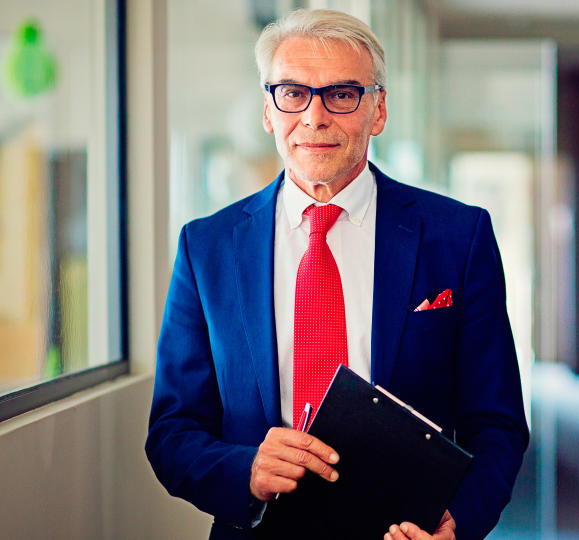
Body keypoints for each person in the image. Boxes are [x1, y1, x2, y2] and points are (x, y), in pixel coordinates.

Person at [145, 9, 528, 540]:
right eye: (293, 93)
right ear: (268, 110)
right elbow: (172, 431)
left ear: (378, 110)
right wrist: (247, 469)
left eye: (342, 94)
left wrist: (458, 522)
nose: (314, 116)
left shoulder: (457, 238)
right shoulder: (206, 248)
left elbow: (498, 424)